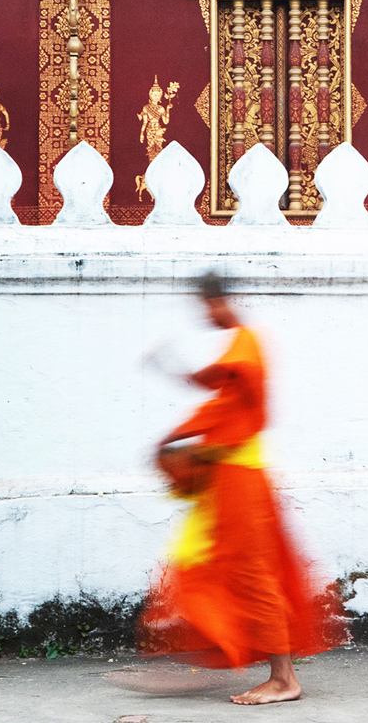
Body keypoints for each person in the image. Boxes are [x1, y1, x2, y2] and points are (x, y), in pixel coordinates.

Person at [136, 274, 346, 705]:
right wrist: (176, 373)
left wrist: (186, 439)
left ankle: (284, 678)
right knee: (214, 567)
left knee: (253, 576)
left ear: (219, 301)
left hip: (241, 480)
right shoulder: (238, 346)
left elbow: (232, 400)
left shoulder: (247, 345)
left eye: (207, 306)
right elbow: (215, 385)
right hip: (227, 480)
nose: (205, 316)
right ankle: (210, 648)